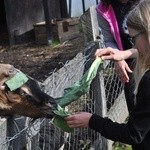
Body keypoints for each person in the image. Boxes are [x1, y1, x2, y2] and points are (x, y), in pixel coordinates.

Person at [65, 0, 150, 149]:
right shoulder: (104, 10)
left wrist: (92, 120)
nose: (133, 45)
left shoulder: (148, 82)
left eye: (133, 38)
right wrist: (122, 54)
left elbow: (133, 134)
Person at [96, 0, 139, 113]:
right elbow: (109, 39)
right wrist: (117, 58)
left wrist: (121, 55)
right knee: (134, 107)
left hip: (146, 59)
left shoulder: (145, 4)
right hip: (128, 66)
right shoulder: (103, 9)